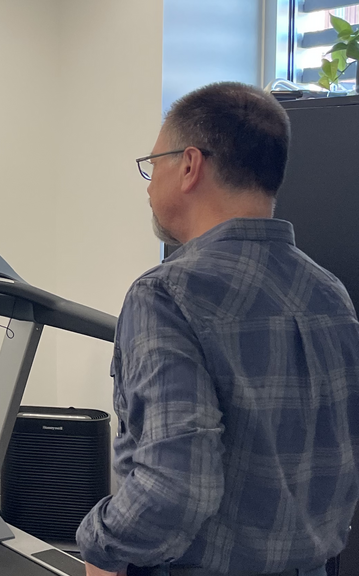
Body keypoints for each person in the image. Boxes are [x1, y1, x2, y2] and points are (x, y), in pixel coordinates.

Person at [76, 82, 359, 576]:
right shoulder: (330, 293)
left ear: (189, 165)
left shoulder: (164, 295)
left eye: (153, 164)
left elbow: (176, 484)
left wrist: (101, 544)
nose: (147, 184)